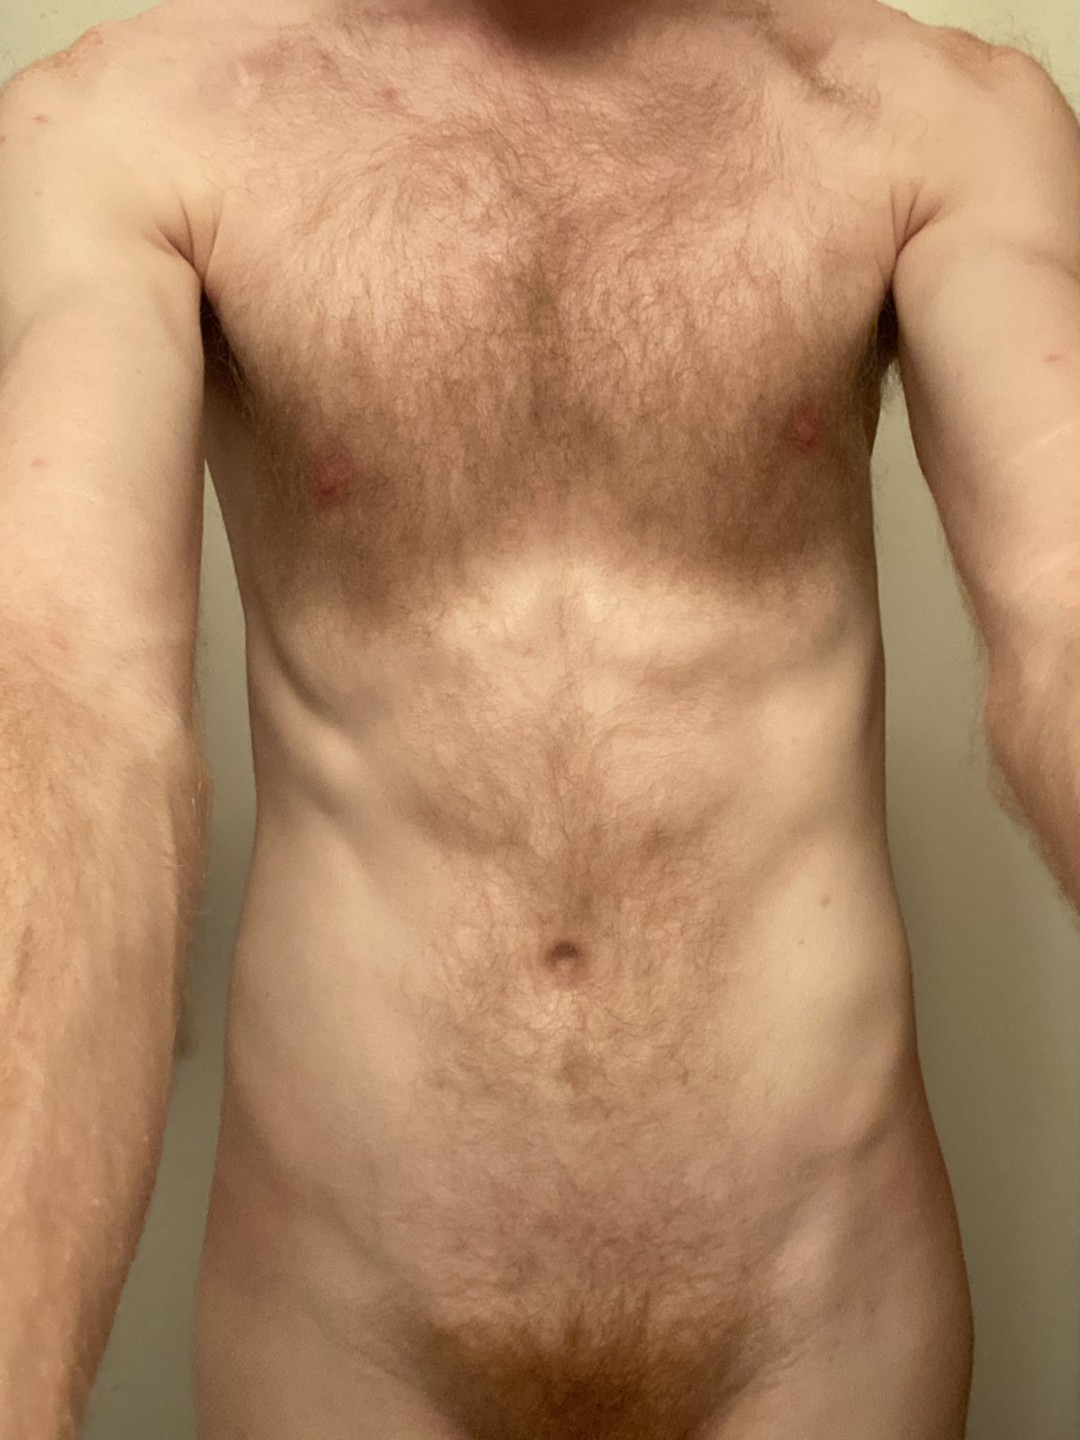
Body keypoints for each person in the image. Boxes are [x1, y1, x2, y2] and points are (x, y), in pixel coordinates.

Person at [1, 0, 1078, 1435]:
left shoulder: (931, 118)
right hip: (342, 1321)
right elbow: (66, 688)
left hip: (824, 1310)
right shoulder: (130, 123)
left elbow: (1066, 610)